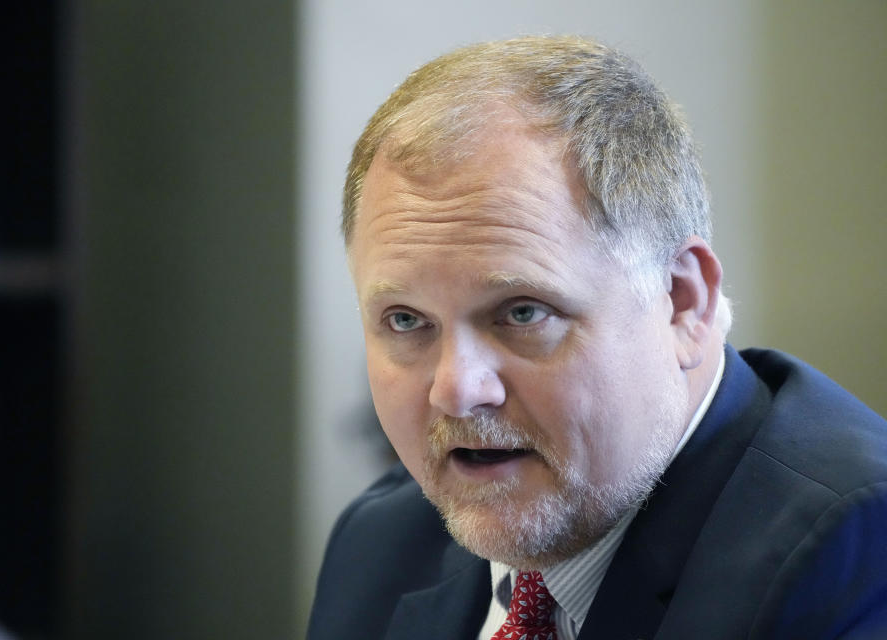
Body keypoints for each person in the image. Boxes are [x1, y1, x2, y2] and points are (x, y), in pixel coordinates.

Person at [306, 36, 887, 640]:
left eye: (523, 312)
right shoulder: (379, 548)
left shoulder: (857, 556)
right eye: (405, 320)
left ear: (682, 304)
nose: (456, 390)